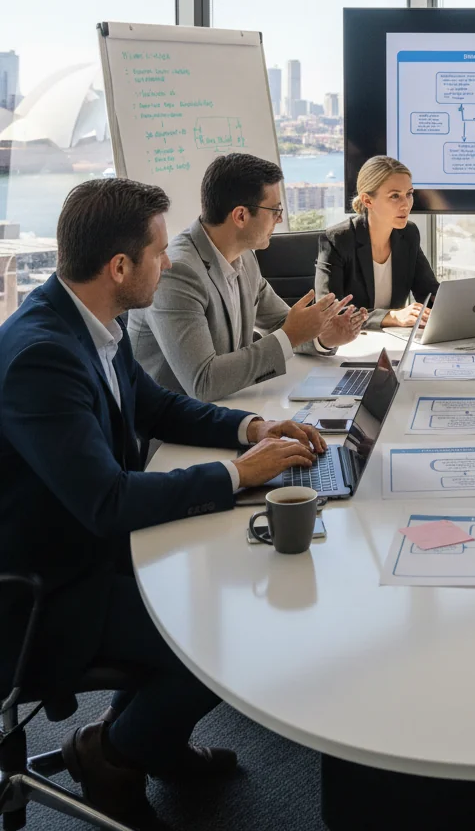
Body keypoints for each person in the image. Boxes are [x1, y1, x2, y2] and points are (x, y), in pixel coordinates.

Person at [0, 178, 332, 819]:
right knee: (224, 634)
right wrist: (238, 475)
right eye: (159, 253)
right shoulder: (42, 357)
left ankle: (144, 740)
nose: (171, 262)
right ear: (119, 267)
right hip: (46, 587)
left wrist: (253, 430)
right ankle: (113, 755)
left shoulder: (93, 320)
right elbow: (107, 502)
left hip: (93, 550)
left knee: (223, 589)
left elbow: (158, 407)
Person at [129, 153, 366, 402]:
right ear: (240, 216)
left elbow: (281, 324)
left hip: (229, 404)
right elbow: (204, 382)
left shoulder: (246, 257)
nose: (280, 219)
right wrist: (291, 336)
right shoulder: (177, 271)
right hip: (173, 420)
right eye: (275, 210)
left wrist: (322, 337)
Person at [315, 156, 439, 330]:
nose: (406, 205)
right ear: (367, 200)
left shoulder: (409, 234)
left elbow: (429, 292)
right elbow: (329, 311)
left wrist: (454, 305)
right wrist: (391, 316)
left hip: (394, 337)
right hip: (352, 339)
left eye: (409, 194)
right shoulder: (337, 239)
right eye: (395, 196)